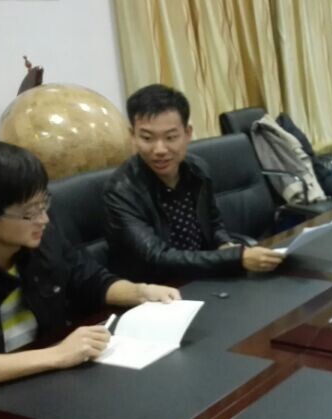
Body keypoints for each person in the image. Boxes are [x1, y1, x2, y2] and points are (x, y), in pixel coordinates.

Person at [0, 141, 180, 396]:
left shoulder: (40, 241)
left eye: (44, 203)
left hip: (49, 385)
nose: (43, 219)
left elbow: (91, 280)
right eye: (29, 213)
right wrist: (56, 355)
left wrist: (141, 292)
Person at [104, 84, 284, 281]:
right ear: (133, 136)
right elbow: (157, 256)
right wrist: (234, 258)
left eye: (171, 137)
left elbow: (214, 224)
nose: (159, 149)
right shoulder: (122, 190)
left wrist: (225, 245)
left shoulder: (197, 170)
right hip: (156, 288)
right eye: (147, 138)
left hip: (204, 275)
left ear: (187, 134)